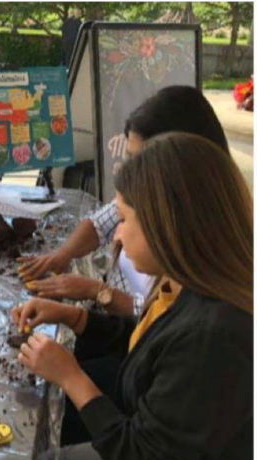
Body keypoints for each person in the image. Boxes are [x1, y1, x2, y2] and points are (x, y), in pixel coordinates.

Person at [13, 132, 253, 460]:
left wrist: (72, 377)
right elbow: (152, 344)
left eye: (124, 220)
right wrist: (75, 317)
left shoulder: (214, 335)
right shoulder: (183, 287)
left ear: (167, 225)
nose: (117, 236)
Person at [18, 85, 230, 318]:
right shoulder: (140, 196)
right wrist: (63, 255)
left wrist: (95, 291)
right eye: (130, 158)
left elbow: (161, 315)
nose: (117, 234)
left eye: (142, 161)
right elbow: (99, 224)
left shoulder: (205, 250)